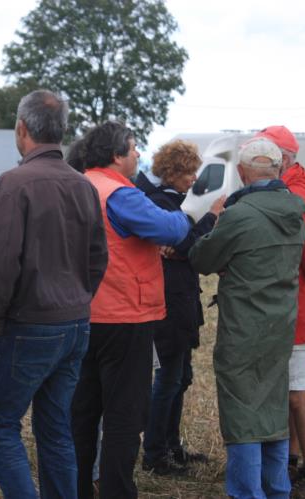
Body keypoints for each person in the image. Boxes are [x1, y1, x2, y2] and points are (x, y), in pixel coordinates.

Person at [0, 90, 108, 499]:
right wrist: (79, 299)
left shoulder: (14, 184)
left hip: (29, 323)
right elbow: (98, 258)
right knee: (55, 430)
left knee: (0, 424)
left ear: (22, 128)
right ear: (61, 130)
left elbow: (0, 265)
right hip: (75, 323)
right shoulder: (82, 185)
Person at [71, 121, 190, 499]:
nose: (140, 154)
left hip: (77, 314)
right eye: (134, 147)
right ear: (116, 155)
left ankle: (77, 488)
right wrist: (186, 216)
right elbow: (171, 229)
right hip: (124, 316)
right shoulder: (120, 193)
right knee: (124, 416)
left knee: (82, 413)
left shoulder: (75, 185)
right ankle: (117, 491)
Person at [189, 138, 305, 499]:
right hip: (281, 324)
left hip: (243, 326)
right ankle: (277, 489)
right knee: (272, 407)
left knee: (242, 414)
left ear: (240, 173)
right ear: (278, 169)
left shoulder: (239, 215)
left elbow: (201, 259)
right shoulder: (296, 212)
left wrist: (216, 222)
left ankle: (246, 492)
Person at [134, 140, 223, 475]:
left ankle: (171, 446)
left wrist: (184, 243)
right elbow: (186, 244)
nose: (193, 179)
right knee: (169, 378)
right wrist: (213, 217)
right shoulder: (160, 202)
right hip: (169, 304)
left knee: (180, 377)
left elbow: (183, 245)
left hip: (180, 302)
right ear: (171, 172)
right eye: (188, 172)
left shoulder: (169, 201)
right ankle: (155, 454)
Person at [256, 125, 305, 498]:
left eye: (264, 156)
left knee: (299, 392)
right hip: (283, 308)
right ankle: (288, 460)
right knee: (287, 391)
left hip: (297, 310)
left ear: (283, 160)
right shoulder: (288, 193)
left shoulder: (299, 199)